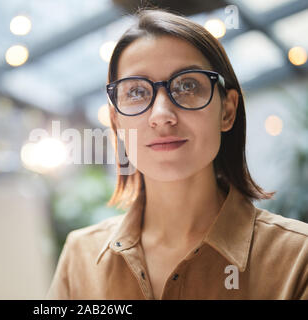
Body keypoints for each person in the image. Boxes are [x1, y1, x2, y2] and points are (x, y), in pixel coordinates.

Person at [46, 8, 308, 300]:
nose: (162, 115)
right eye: (136, 92)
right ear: (117, 122)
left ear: (227, 111)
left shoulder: (297, 259)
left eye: (187, 86)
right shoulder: (81, 257)